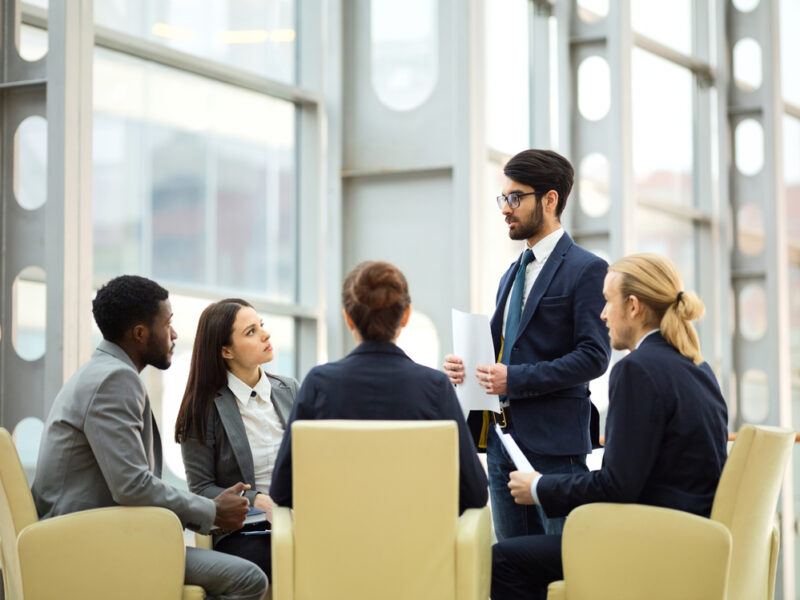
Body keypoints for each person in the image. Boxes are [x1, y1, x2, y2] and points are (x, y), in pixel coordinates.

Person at [490, 253, 729, 600]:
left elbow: (618, 486)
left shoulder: (637, 370)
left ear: (633, 306)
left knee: (505, 560)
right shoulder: (697, 368)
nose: (602, 314)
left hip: (651, 542)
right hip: (688, 537)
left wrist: (539, 487)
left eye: (607, 301)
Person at [31, 276, 267, 600]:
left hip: (99, 533)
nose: (174, 334)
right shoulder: (115, 379)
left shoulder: (103, 372)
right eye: (167, 323)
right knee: (248, 579)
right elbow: (132, 485)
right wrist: (212, 511)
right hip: (85, 542)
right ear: (140, 334)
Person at [444, 149, 610, 539]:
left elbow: (594, 357)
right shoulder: (511, 273)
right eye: (503, 198)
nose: (506, 208)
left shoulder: (587, 269)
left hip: (555, 446)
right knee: (514, 568)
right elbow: (507, 351)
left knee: (567, 560)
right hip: (503, 441)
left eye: (515, 198)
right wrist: (467, 367)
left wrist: (513, 379)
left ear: (550, 200)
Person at [271, 260, 488, 514]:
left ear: (348, 318)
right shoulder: (435, 387)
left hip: (334, 549)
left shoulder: (318, 384)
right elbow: (475, 492)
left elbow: (282, 491)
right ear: (406, 315)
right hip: (418, 547)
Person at [176, 298, 298, 582]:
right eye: (251, 332)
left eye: (261, 326)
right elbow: (201, 490)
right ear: (225, 350)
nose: (265, 335)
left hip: (298, 522)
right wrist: (257, 500)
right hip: (246, 532)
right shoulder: (202, 408)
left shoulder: (289, 390)